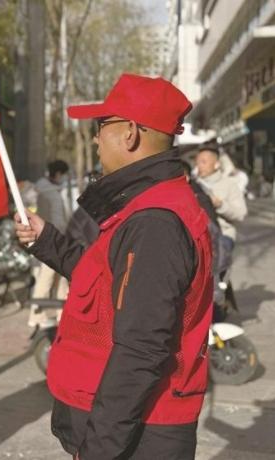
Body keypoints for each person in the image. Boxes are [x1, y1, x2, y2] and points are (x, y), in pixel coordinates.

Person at [15, 74, 213, 459]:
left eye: (102, 126)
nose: (95, 138)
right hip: (125, 427)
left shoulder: (155, 222)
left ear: (131, 135)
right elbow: (104, 282)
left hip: (138, 434)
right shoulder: (143, 208)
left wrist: (98, 451)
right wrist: (47, 241)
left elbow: (141, 350)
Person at [29, 160, 70, 326]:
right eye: (64, 175)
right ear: (59, 174)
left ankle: (63, 315)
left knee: (62, 279)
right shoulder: (45, 190)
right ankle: (36, 316)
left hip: (58, 239)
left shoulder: (53, 190)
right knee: (46, 279)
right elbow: (54, 218)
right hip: (48, 240)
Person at [195, 144, 247, 269]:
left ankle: (222, 281)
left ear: (217, 164)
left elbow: (241, 214)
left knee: (217, 266)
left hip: (223, 235)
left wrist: (220, 205)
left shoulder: (229, 184)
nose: (199, 166)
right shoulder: (194, 184)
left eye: (204, 162)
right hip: (198, 235)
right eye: (197, 163)